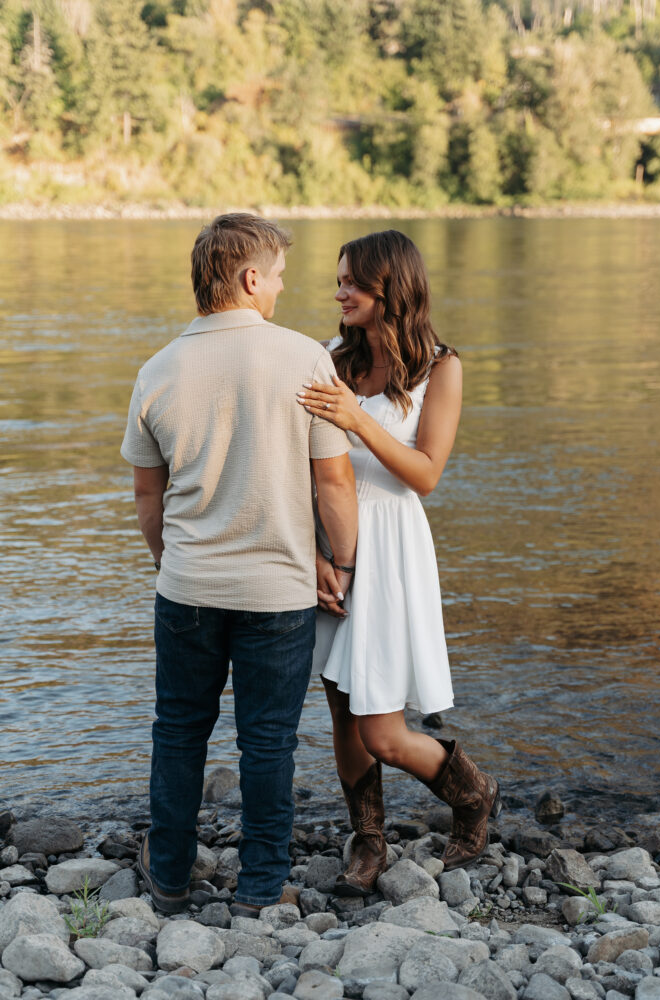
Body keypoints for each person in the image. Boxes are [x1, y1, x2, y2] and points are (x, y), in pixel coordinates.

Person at [121, 213, 357, 916]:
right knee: (266, 743)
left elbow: (146, 496)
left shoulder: (157, 369)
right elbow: (334, 484)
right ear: (251, 278)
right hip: (278, 591)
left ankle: (167, 878)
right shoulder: (302, 359)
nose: (282, 287)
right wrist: (336, 563)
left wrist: (175, 564)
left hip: (187, 586)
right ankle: (258, 888)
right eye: (279, 275)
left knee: (178, 732)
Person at [296, 229, 500, 897]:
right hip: (329, 546)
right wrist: (314, 553)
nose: (339, 291)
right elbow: (301, 464)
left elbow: (425, 473)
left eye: (353, 281)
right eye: (339, 279)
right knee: (340, 708)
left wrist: (359, 421)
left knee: (381, 728)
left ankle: (470, 792)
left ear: (393, 288)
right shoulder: (325, 358)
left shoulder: (441, 367)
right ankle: (369, 838)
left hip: (390, 548)